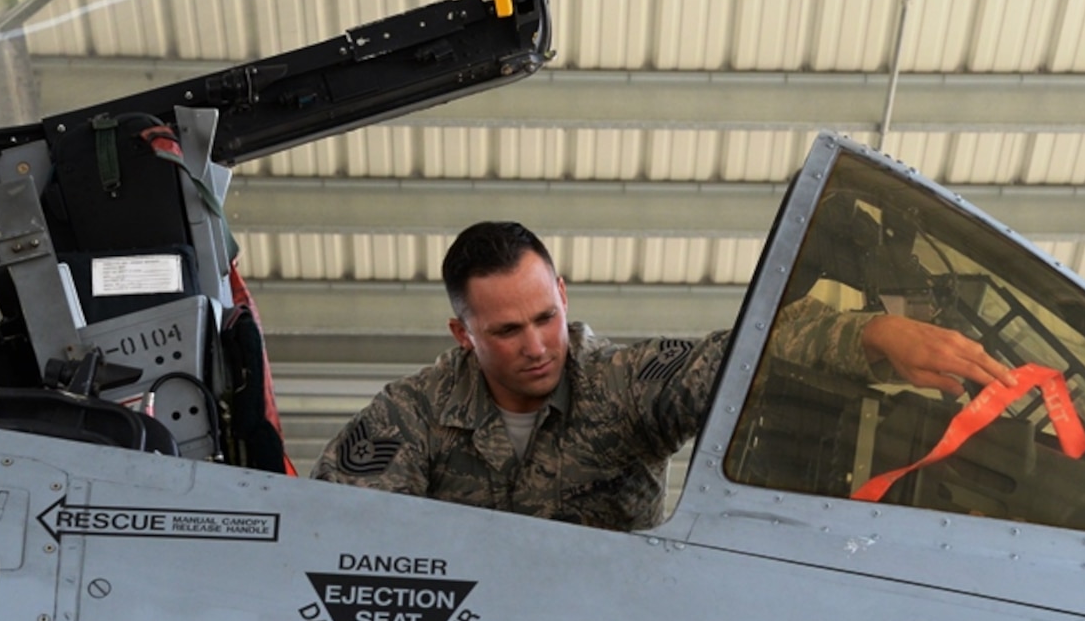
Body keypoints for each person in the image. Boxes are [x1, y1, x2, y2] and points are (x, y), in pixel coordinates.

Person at [315, 221, 1010, 531]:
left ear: (562, 290)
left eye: (546, 317)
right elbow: (342, 530)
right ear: (462, 335)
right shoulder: (409, 416)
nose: (536, 346)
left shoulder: (621, 385)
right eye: (505, 331)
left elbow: (729, 361)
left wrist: (868, 334)